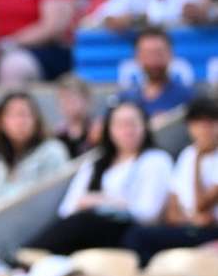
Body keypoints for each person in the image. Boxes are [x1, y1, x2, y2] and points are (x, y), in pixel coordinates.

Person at [28, 101, 172, 255]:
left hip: (126, 231)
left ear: (145, 126)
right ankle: (28, 257)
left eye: (132, 123)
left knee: (85, 223)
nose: (127, 130)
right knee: (77, 224)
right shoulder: (95, 163)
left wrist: (101, 201)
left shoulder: (156, 160)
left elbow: (148, 213)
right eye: (120, 125)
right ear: (109, 129)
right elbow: (67, 209)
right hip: (87, 229)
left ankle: (28, 258)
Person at [121, 96, 218, 265]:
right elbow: (171, 209)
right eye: (198, 123)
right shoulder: (187, 154)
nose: (204, 129)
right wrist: (188, 220)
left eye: (210, 123)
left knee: (139, 237)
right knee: (134, 235)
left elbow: (201, 204)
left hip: (211, 231)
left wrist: (198, 160)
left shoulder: (195, 156)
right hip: (188, 227)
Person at [0, 92, 70, 203]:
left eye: (25, 114)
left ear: (36, 120)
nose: (20, 122)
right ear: (1, 122)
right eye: (13, 115)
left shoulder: (52, 151)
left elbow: (56, 200)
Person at [114, 27, 196, 118]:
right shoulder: (126, 99)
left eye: (159, 53)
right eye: (148, 54)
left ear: (170, 54)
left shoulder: (187, 98)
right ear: (137, 57)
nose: (153, 61)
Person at [54, 74, 95, 157]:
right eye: (64, 98)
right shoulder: (56, 135)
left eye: (73, 98)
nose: (68, 103)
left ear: (87, 100)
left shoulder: (98, 132)